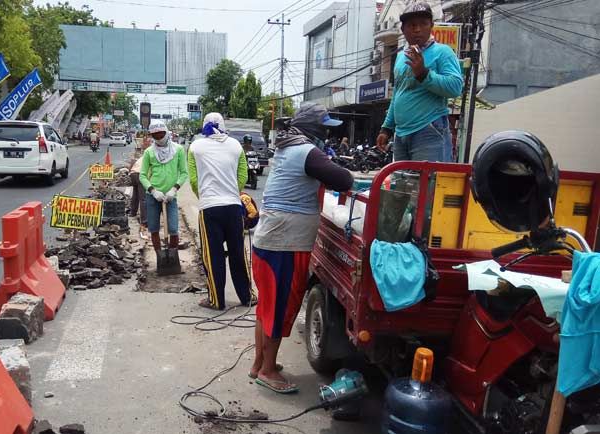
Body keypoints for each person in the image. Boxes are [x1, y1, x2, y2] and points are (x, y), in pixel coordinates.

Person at [250, 103, 353, 393]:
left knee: (266, 308)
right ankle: (268, 371)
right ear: (313, 129)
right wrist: (330, 161)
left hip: (271, 240)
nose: (327, 135)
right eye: (324, 129)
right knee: (279, 308)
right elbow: (344, 180)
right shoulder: (307, 151)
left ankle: (259, 364)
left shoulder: (287, 147)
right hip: (284, 244)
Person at [376, 2, 463, 162]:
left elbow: (455, 87)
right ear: (403, 30)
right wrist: (387, 128)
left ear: (431, 26)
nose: (417, 29)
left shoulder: (443, 52)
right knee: (403, 185)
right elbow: (398, 93)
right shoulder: (402, 57)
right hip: (401, 134)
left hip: (429, 129)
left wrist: (423, 74)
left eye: (423, 24)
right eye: (412, 25)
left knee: (428, 184)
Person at [188, 113, 254, 310]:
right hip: (233, 207)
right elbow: (242, 176)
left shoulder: (195, 147)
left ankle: (216, 300)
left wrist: (206, 196)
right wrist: (232, 192)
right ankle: (246, 297)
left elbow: (193, 180)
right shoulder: (235, 145)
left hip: (210, 209)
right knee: (238, 253)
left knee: (213, 256)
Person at [139, 122, 188, 253]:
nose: (159, 138)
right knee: (154, 228)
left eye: (161, 134)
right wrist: (153, 191)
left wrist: (174, 189)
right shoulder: (149, 152)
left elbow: (184, 173)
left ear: (166, 133)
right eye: (155, 136)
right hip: (153, 197)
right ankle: (159, 256)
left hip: (171, 196)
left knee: (173, 228)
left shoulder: (178, 150)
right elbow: (142, 176)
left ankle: (172, 255)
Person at [127, 136, 151, 239]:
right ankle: (145, 221)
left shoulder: (144, 156)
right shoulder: (151, 157)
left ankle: (133, 213)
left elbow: (132, 165)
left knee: (135, 195)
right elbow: (150, 173)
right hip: (140, 175)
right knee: (143, 199)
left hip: (133, 174)